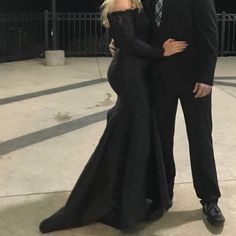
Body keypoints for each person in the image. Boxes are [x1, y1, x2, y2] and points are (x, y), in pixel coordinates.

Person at [39, 0, 187, 233]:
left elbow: (127, 36)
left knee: (127, 134)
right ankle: (121, 204)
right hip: (128, 75)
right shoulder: (120, 0)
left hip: (138, 73)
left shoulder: (137, 1)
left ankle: (120, 194)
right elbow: (127, 42)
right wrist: (161, 52)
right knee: (138, 137)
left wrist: (119, 40)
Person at [110, 0, 225, 227]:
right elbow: (139, 27)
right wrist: (117, 39)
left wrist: (206, 76)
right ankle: (164, 194)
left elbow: (209, 31)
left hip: (194, 80)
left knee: (200, 139)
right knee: (161, 139)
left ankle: (209, 198)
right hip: (158, 78)